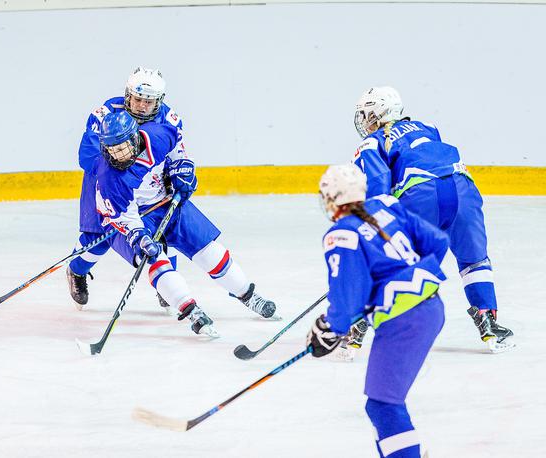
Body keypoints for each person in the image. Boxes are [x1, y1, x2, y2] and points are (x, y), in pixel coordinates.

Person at [350, 86, 514, 353]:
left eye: (367, 114)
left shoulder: (372, 142)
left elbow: (378, 185)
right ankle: (488, 320)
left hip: (422, 197)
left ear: (378, 113)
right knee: (474, 259)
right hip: (464, 189)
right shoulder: (428, 126)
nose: (365, 121)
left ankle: (358, 325)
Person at [93, 111, 282, 337]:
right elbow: (122, 216)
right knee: (156, 260)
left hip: (167, 201)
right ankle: (189, 309)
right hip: (132, 218)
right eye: (113, 150)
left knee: (210, 251)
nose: (118, 155)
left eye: (123, 147)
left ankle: (248, 294)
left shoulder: (158, 136)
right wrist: (139, 236)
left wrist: (182, 168)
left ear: (134, 138)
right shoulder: (109, 177)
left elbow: (177, 150)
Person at [307, 164, 449, 458]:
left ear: (331, 199)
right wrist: (405, 273)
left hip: (405, 321)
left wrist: (331, 327)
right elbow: (438, 241)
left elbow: (348, 300)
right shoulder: (387, 205)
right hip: (432, 306)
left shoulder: (340, 235)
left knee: (383, 405)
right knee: (385, 403)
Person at [66, 67, 184, 313]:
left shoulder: (169, 119)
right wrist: (119, 171)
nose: (141, 106)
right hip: (106, 181)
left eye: (148, 101)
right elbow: (87, 156)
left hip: (152, 185)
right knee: (98, 240)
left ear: (159, 101)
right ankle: (76, 271)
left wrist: (179, 172)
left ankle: (167, 286)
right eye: (138, 99)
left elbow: (177, 153)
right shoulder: (106, 112)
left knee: (163, 233)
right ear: (128, 95)